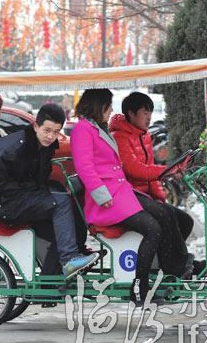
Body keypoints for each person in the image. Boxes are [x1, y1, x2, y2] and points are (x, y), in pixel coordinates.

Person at [71, 88, 179, 306]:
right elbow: (85, 167)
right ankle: (139, 288)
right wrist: (101, 195)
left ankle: (166, 274)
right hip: (106, 200)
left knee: (161, 217)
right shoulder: (83, 129)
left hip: (120, 194)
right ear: (97, 106)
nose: (111, 110)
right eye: (108, 105)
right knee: (152, 229)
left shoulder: (96, 127)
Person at [0, 102, 98, 280]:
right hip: (4, 203)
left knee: (72, 215)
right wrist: (25, 190)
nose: (51, 136)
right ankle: (69, 260)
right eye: (47, 130)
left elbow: (38, 179)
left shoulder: (45, 147)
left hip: (23, 198)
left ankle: (49, 283)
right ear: (36, 126)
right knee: (59, 203)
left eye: (56, 132)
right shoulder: (13, 146)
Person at [110, 91, 204, 278]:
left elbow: (150, 169)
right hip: (129, 196)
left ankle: (175, 263)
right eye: (145, 113)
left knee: (185, 221)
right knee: (165, 215)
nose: (149, 118)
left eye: (150, 113)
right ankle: (174, 268)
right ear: (131, 113)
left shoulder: (144, 135)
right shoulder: (119, 137)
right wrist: (166, 171)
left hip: (145, 196)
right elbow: (134, 169)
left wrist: (160, 196)